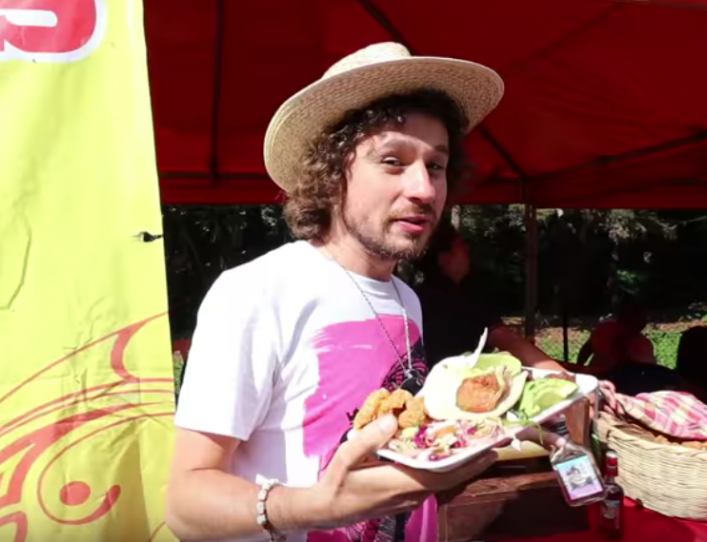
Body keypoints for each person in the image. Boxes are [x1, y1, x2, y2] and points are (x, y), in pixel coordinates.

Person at [165, 42, 508, 542]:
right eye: (392, 161)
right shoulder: (257, 292)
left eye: (435, 166)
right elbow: (185, 503)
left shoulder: (406, 299)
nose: (425, 189)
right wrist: (315, 508)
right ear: (330, 176)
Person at [413, 220, 565, 371]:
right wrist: (564, 376)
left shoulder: (416, 295)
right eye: (461, 245)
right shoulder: (456, 300)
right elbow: (509, 340)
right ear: (444, 257)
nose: (468, 250)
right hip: (458, 381)